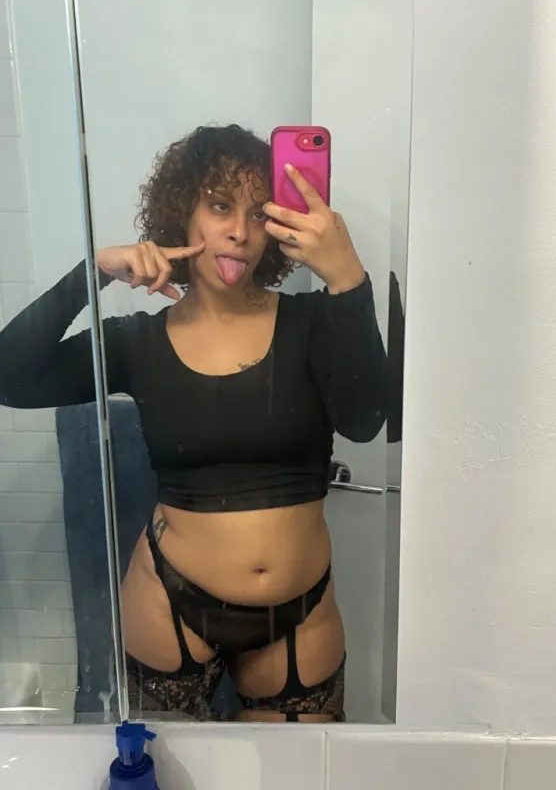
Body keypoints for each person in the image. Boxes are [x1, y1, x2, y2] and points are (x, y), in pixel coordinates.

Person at [0, 124, 386, 722]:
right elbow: (11, 378)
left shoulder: (314, 321)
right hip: (168, 606)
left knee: (301, 770)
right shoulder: (136, 342)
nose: (239, 232)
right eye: (220, 206)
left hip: (301, 617)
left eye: (258, 213)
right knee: (160, 768)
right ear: (182, 214)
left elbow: (365, 422)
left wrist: (347, 279)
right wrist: (94, 271)